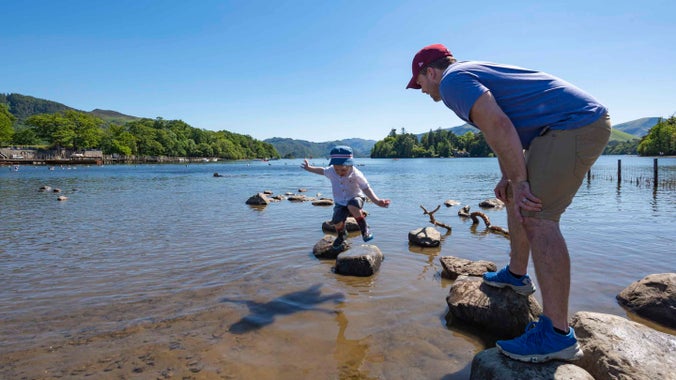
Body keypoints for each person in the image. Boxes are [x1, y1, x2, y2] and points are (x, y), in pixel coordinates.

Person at [406, 44, 610, 363]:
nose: (420, 89)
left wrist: (520, 179)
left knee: (540, 217)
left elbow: (499, 126)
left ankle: (557, 336)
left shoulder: (451, 83)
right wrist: (509, 177)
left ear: (430, 71)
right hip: (557, 128)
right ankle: (516, 275)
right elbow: (503, 127)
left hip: (574, 125)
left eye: (419, 82)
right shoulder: (464, 74)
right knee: (517, 196)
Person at [301, 145, 391, 250]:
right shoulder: (331, 171)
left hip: (356, 198)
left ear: (350, 165)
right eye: (337, 169)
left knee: (352, 207)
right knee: (336, 221)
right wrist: (309, 168)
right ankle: (342, 235)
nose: (339, 172)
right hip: (340, 202)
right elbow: (321, 170)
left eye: (343, 170)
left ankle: (364, 230)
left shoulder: (356, 174)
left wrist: (377, 201)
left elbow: (366, 188)